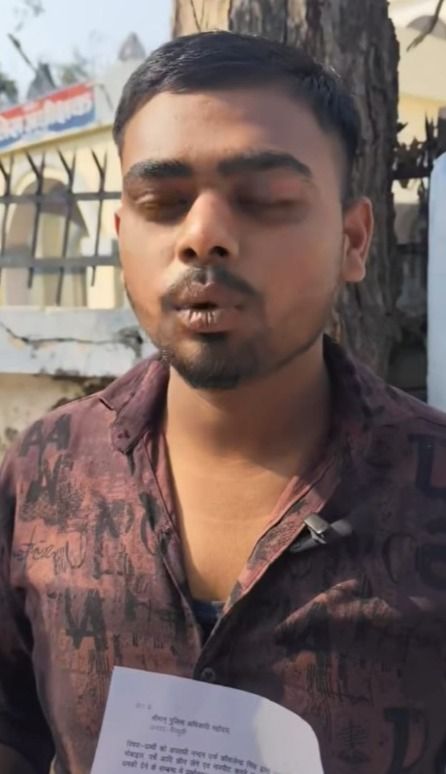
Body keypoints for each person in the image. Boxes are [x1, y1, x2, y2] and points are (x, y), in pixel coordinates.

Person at [0, 30, 445, 774]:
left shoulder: (433, 488)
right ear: (121, 236)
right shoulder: (46, 472)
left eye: (265, 200)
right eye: (162, 203)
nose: (203, 236)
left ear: (353, 240)